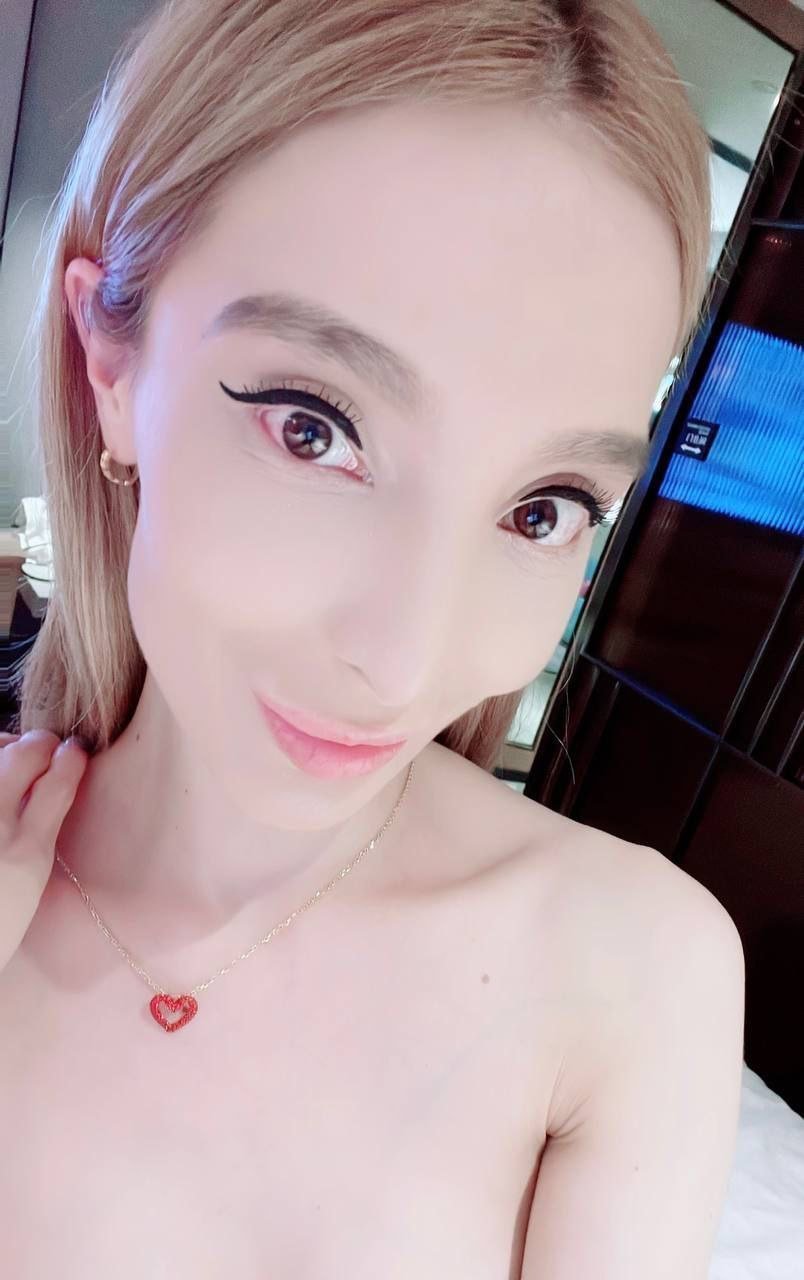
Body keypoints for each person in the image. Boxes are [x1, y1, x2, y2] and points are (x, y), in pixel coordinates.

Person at [0, 0, 745, 1275]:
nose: (402, 663)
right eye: (313, 428)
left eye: (542, 507)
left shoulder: (633, 973)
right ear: (107, 369)